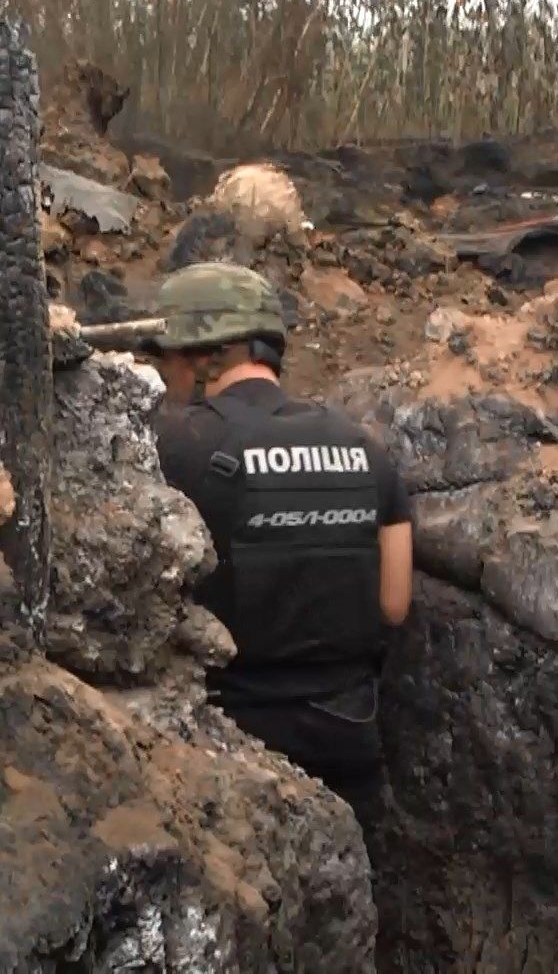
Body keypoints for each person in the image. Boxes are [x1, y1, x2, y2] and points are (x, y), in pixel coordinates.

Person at [143, 261, 413, 831]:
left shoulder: (173, 444)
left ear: (207, 355)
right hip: (347, 733)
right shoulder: (365, 449)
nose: (163, 373)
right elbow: (393, 605)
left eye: (166, 357)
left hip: (232, 739)